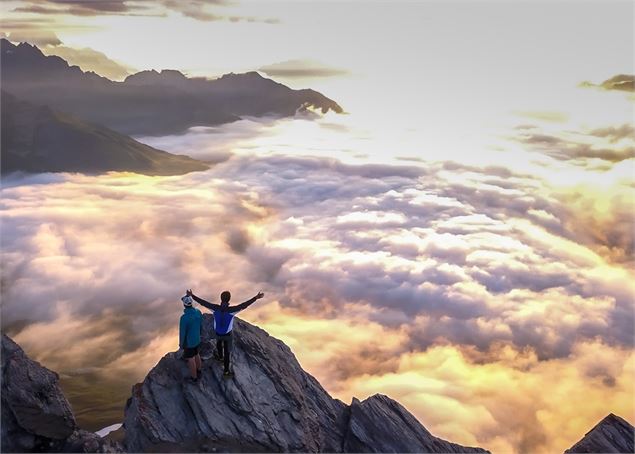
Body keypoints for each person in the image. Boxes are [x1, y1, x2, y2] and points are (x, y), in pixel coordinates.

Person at [186, 289, 264, 377]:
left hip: (218, 333)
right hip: (228, 334)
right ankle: (226, 372)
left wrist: (192, 295)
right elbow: (244, 305)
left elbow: (203, 302)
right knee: (227, 352)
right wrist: (256, 298)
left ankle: (220, 357)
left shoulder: (215, 308)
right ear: (229, 299)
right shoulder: (233, 310)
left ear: (221, 298)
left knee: (219, 343)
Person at [179, 295, 203, 383]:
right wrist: (200, 334)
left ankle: (194, 378)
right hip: (197, 339)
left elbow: (182, 333)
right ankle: (199, 370)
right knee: (197, 354)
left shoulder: (184, 318)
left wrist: (181, 344)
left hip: (189, 342)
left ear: (184, 305)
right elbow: (201, 325)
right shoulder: (198, 312)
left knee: (191, 358)